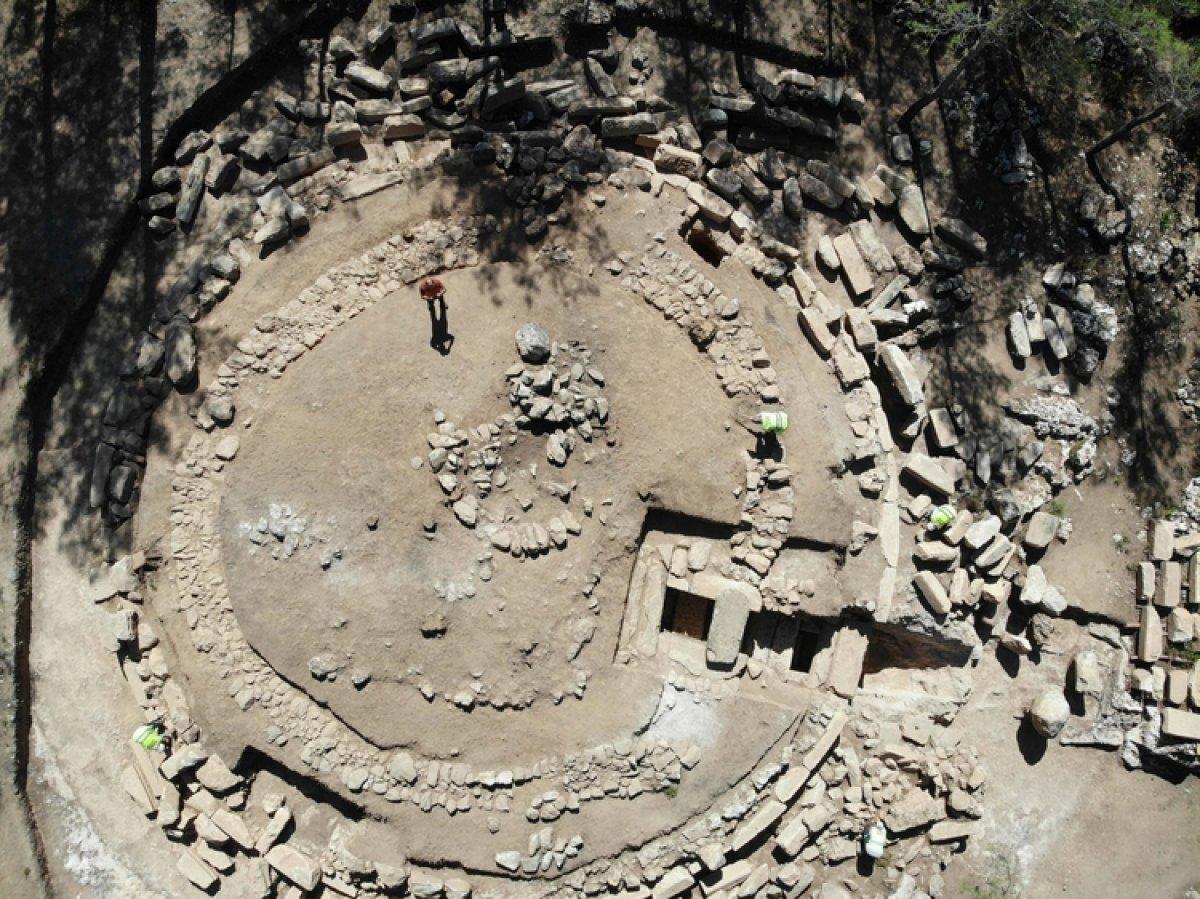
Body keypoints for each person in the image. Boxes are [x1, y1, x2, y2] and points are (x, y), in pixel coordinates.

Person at [419, 277, 454, 355]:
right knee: (432, 311)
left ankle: (442, 304)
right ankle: (431, 307)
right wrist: (428, 297)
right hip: (430, 297)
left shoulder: (437, 282)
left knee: (441, 302)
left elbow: (444, 289)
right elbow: (422, 296)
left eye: (432, 286)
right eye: (429, 287)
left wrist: (440, 293)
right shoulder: (422, 286)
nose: (431, 287)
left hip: (438, 294)